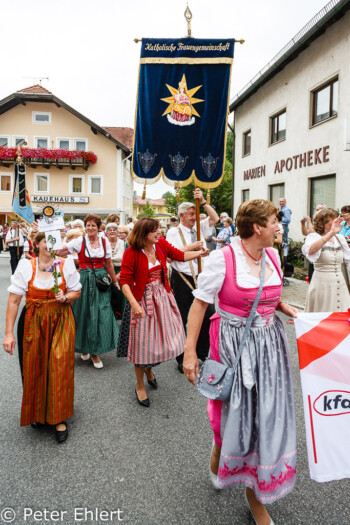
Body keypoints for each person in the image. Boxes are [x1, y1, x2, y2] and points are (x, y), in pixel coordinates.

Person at [183, 199, 298, 525]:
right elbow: (199, 306)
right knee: (228, 422)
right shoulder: (223, 259)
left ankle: (255, 496)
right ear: (258, 227)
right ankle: (222, 449)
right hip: (233, 347)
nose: (279, 226)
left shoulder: (273, 256)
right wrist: (190, 352)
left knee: (265, 420)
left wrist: (281, 306)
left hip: (270, 349)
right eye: (275, 221)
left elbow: (267, 294)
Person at [3, 232, 81, 442]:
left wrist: (65, 296)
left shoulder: (65, 264)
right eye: (46, 240)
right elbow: (13, 301)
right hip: (33, 321)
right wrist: (8, 333)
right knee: (34, 368)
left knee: (59, 367)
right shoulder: (26, 266)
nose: (51, 244)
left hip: (61, 319)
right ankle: (37, 412)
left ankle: (59, 417)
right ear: (36, 244)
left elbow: (76, 291)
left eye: (54, 240)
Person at [118, 218, 203, 407]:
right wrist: (134, 304)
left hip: (163, 297)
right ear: (143, 234)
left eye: (159, 229)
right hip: (142, 300)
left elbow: (179, 255)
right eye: (154, 231)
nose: (159, 233)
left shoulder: (161, 245)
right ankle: (140, 385)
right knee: (142, 344)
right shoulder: (131, 253)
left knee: (156, 341)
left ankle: (149, 371)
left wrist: (199, 253)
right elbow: (123, 281)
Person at [166, 188, 219, 373]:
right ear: (181, 215)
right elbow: (170, 257)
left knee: (209, 316)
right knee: (181, 319)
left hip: (201, 278)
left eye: (195, 214)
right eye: (190, 214)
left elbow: (215, 219)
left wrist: (203, 201)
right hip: (182, 279)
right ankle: (181, 357)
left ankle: (203, 352)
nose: (194, 217)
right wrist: (193, 247)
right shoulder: (173, 233)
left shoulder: (200, 227)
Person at [57, 214, 119, 369]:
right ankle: (86, 348)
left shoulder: (104, 241)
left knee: (101, 313)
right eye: (88, 225)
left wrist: (115, 281)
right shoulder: (80, 241)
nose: (90, 228)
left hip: (100, 281)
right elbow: (60, 252)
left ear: (99, 227)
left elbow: (109, 264)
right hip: (84, 280)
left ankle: (94, 350)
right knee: (84, 313)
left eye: (93, 225)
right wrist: (52, 240)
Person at [302, 208, 350, 312]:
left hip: (340, 284)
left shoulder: (340, 238)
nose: (337, 221)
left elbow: (348, 259)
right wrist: (331, 233)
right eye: (333, 220)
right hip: (322, 285)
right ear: (323, 222)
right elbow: (311, 251)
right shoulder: (313, 237)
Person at [106, 222, 127, 318]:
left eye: (114, 229)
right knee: (108, 295)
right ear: (106, 233)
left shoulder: (124, 243)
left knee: (123, 293)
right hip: (106, 272)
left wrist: (119, 274)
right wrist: (109, 275)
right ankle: (110, 317)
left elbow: (128, 261)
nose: (112, 231)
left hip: (121, 271)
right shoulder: (103, 243)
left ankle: (123, 317)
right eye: (110, 230)